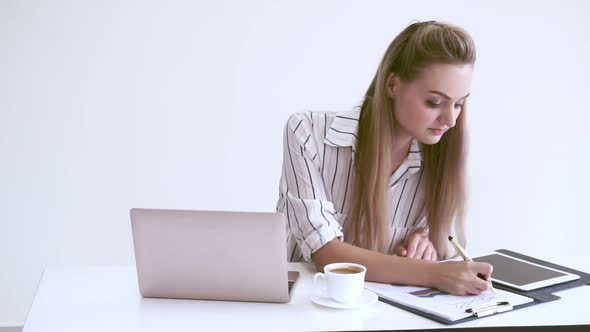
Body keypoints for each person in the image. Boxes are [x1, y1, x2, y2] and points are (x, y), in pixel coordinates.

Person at [276, 20, 493, 296]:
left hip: (386, 314)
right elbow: (325, 253)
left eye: (459, 103)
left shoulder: (438, 162)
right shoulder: (308, 134)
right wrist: (434, 273)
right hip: (303, 309)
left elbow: (440, 245)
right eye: (435, 102)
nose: (450, 119)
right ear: (392, 84)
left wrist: (426, 245)